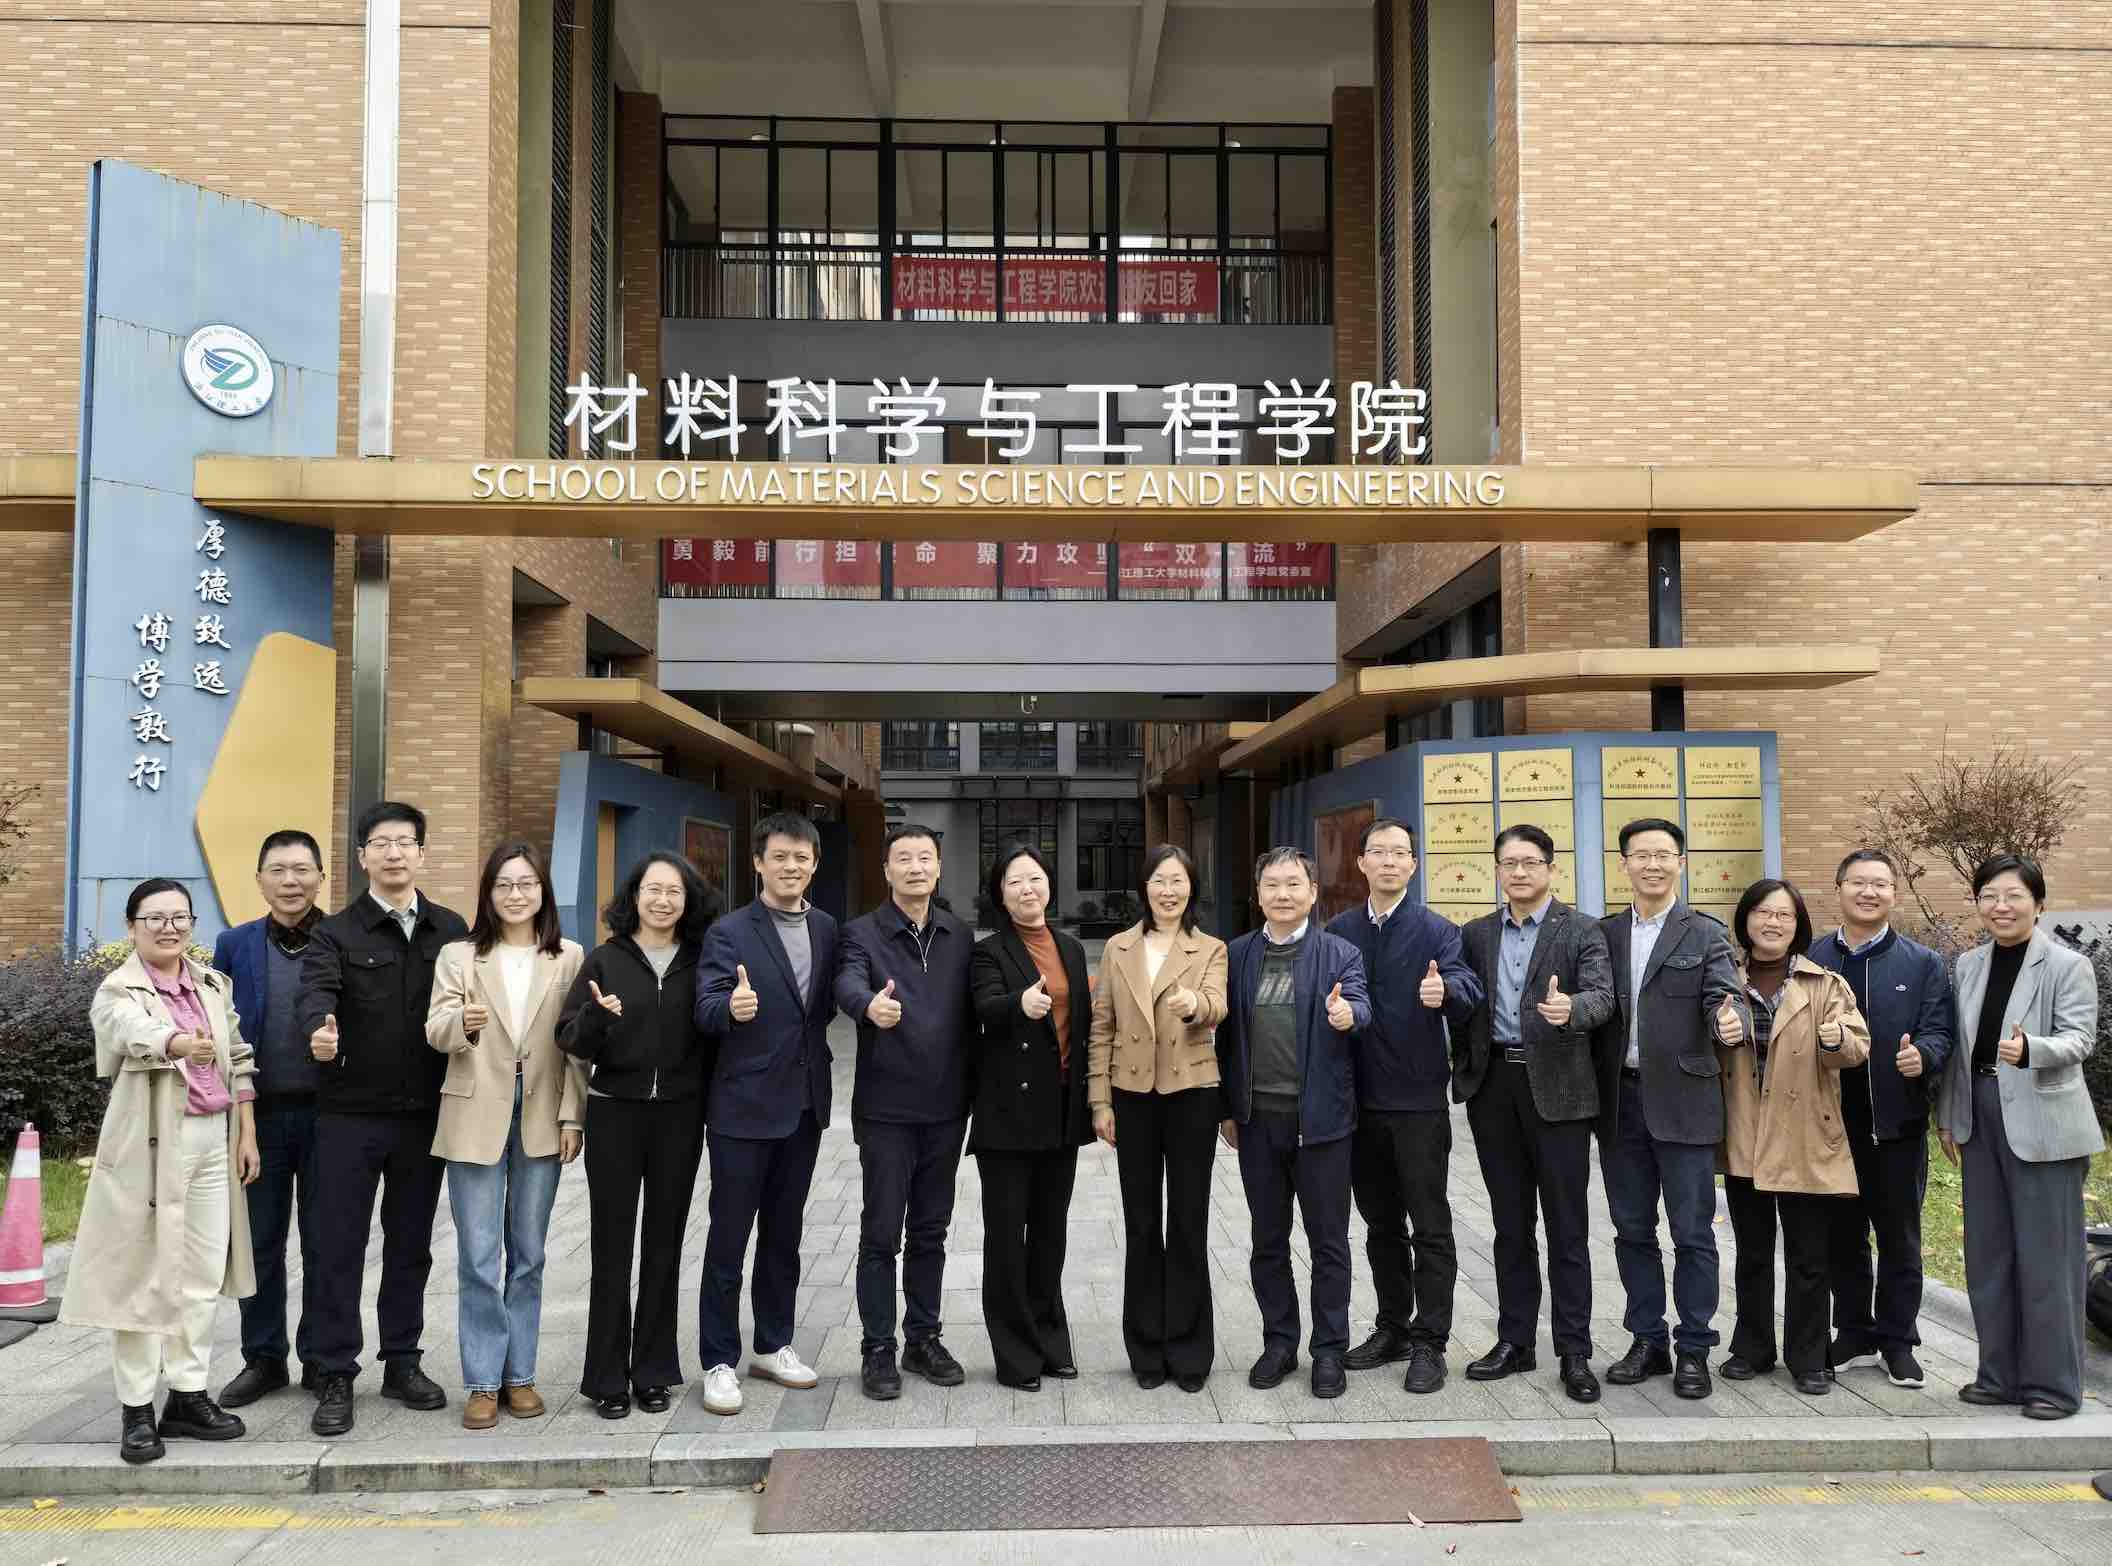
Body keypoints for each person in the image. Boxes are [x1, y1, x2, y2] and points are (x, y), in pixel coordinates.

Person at [63, 879, 261, 1465]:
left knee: (201, 1272)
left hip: (213, 1140)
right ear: (132, 927)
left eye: (180, 917)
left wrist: (247, 1132)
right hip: (150, 1144)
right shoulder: (117, 988)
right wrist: (175, 1041)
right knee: (145, 1275)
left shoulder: (211, 984)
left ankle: (188, 1396)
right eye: (155, 918)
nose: (169, 927)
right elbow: (130, 1031)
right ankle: (136, 1411)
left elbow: (238, 1056)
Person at [298, 801, 469, 1436]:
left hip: (423, 1116)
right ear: (362, 856)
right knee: (337, 1245)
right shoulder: (335, 933)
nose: (394, 853)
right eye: (381, 843)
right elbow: (317, 992)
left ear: (422, 853)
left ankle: (401, 1361)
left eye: (405, 843)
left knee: (411, 1245)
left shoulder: (451, 928)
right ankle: (334, 1371)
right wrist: (319, 1031)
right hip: (348, 1116)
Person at [1451, 824, 1617, 1404]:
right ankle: (1515, 1340)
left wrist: (1571, 1008)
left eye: (1530, 862)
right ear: (1497, 869)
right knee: (1510, 1224)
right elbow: (1463, 1000)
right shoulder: (1475, 934)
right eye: (1509, 863)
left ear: (1551, 867)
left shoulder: (1582, 930)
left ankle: (1574, 1351)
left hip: (1561, 1088)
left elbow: (1603, 997)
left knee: (1567, 1226)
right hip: (1495, 1085)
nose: (1518, 872)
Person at [1934, 853, 2103, 1421]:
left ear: (2039, 903)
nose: (2000, 906)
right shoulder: (1970, 964)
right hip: (1980, 1115)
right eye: (1989, 896)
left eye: (2013, 896)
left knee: (2048, 1258)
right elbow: (1960, 1049)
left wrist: (2034, 1049)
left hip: (2044, 1121)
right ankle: (1998, 1376)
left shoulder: (2067, 965)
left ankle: (2053, 1387)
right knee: (1989, 1254)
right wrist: (1948, 1115)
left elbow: (2080, 1039)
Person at [425, 841, 585, 1429]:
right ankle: (482, 1382)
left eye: (526, 884)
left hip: (541, 1110)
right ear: (488, 893)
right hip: (474, 1111)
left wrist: (573, 1117)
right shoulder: (460, 955)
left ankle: (521, 1376)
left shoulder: (569, 956)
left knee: (530, 1254)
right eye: (504, 885)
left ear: (543, 891)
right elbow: (435, 1028)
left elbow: (576, 1047)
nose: (516, 895)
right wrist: (461, 1025)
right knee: (478, 1254)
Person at [558, 854, 720, 1419]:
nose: (663, 901)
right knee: (611, 1247)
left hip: (680, 1116)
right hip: (615, 1116)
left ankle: (653, 1372)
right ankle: (606, 1377)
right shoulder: (605, 959)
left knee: (664, 1245)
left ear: (688, 901)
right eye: (653, 890)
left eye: (674, 892)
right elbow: (569, 1038)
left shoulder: (701, 960)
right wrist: (597, 1019)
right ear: (634, 896)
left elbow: (715, 1033)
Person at [1328, 818, 1482, 1394]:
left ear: (1414, 865)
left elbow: (1468, 987)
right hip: (1358, 1102)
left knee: (1430, 1224)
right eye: (1379, 852)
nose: (1389, 861)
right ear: (1361, 863)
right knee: (1379, 1224)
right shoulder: (1340, 930)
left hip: (1418, 1103)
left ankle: (1430, 1341)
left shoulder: (1438, 931)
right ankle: (1392, 1326)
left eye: (1400, 853)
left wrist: (1448, 992)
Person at [693, 811, 838, 1416]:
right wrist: (731, 1007)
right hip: (742, 1109)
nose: (791, 867)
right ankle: (718, 1360)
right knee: (729, 1238)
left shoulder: (827, 927)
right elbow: (704, 1008)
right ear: (758, 863)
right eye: (779, 856)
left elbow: (821, 1011)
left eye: (802, 858)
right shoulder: (729, 932)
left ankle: (774, 1344)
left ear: (814, 865)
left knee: (785, 1235)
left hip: (803, 1106)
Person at [1593, 817, 1741, 1401]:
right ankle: (1647, 1339)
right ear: (1624, 863)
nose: (1652, 864)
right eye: (1641, 855)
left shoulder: (1705, 933)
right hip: (1621, 1103)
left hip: (1685, 1102)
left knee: (1692, 1232)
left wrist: (1727, 1020)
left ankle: (1695, 1348)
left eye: (1663, 854)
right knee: (1632, 1229)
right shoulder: (1603, 934)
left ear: (1681, 862)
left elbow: (1724, 997)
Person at [1217, 847, 1371, 1399]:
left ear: (1313, 893)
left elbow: (1362, 1005)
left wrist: (1348, 1014)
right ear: (1258, 894)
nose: (1282, 894)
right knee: (1268, 1239)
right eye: (1272, 885)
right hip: (1259, 1120)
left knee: (1328, 1242)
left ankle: (1329, 1349)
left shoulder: (1339, 953)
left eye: (1293, 884)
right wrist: (1228, 1109)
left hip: (1322, 1123)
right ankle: (1279, 1342)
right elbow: (1224, 1039)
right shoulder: (1237, 955)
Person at [835, 825, 976, 1400]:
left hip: (946, 1109)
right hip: (886, 1111)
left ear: (938, 868)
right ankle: (877, 1348)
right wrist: (867, 1006)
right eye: (904, 858)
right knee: (881, 1232)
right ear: (887, 870)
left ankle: (923, 1338)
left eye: (925, 858)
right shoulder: (861, 933)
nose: (916, 867)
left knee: (930, 1231)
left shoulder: (959, 934)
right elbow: (845, 981)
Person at [1716, 879, 1870, 1395]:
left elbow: (1858, 1046)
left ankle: (1809, 1356)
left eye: (1784, 914)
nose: (1773, 922)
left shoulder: (1823, 984)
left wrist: (1837, 1038)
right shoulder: (1724, 980)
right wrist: (1716, 1029)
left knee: (1809, 1255)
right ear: (1746, 920)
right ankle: (1752, 1348)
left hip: (1805, 1133)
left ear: (1798, 924)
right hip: (1746, 1134)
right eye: (1763, 912)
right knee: (1752, 1252)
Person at [1810, 848, 1954, 1389]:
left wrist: (1925, 1056)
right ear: (1839, 889)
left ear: (1894, 893)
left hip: (1896, 1125)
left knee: (1900, 1240)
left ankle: (1897, 1340)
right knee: (1841, 1237)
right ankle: (1853, 1332)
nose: (1868, 892)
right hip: (1829, 1128)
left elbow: (1940, 1030)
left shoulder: (1922, 963)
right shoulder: (1813, 957)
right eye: (1857, 882)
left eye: (1880, 884)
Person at [1087, 843, 1229, 1392]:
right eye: (1158, 881)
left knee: (1188, 1222)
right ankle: (1146, 1347)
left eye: (1178, 881)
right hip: (1133, 1096)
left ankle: (1190, 1351)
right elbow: (1102, 1026)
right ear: (1144, 888)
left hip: (1192, 1094)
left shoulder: (1210, 948)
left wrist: (1196, 1006)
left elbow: (1217, 1003)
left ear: (1191, 888)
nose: (1168, 891)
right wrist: (1100, 1101)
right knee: (1142, 1222)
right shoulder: (1119, 947)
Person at [211, 829, 328, 1410]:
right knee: (259, 1241)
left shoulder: (343, 938)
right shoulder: (234, 944)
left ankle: (323, 1357)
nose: (290, 881)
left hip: (331, 1116)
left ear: (321, 877)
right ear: (259, 879)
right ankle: (263, 1358)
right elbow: (219, 1030)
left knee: (328, 1242)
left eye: (302, 869)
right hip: (257, 1119)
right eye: (278, 870)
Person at [969, 843, 1093, 1390]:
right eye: (1015, 880)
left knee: (1049, 1235)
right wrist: (1019, 1004)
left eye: (1035, 878)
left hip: (1061, 1112)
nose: (1027, 888)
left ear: (1049, 885)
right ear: (1000, 893)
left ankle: (1050, 1340)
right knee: (1005, 1237)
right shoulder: (988, 952)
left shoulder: (1070, 948)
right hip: (1007, 1116)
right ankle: (1016, 1354)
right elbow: (984, 1007)